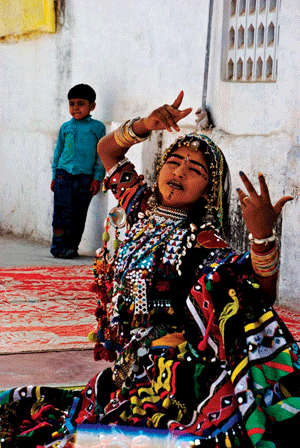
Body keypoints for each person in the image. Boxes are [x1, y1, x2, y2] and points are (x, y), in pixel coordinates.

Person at [1, 93, 299, 448]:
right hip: (128, 366)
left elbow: (256, 298)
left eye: (195, 169)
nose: (180, 171)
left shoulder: (203, 241)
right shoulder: (139, 205)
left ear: (208, 191)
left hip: (173, 369)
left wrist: (262, 237)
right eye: (174, 161)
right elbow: (107, 151)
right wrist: (144, 125)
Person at [50, 83, 106, 258]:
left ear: (92, 106)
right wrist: (54, 176)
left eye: (81, 103)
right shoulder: (65, 127)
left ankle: (72, 247)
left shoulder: (97, 128)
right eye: (72, 103)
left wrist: (97, 178)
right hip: (63, 175)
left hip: (85, 178)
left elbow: (101, 155)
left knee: (78, 214)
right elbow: (58, 151)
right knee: (61, 212)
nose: (75, 108)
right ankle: (58, 247)